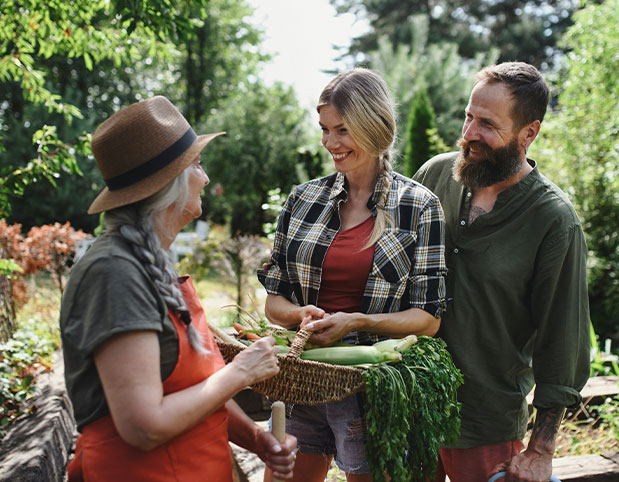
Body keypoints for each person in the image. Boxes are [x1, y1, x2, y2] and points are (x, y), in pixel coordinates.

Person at [59, 96, 297, 481]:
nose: (204, 178)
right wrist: (240, 373)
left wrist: (256, 438)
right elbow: (144, 426)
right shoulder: (113, 274)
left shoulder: (147, 263)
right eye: (197, 165)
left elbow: (200, 390)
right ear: (169, 184)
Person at [257, 68, 448, 482]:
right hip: (307, 380)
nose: (329, 143)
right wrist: (299, 316)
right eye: (324, 129)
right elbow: (274, 303)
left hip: (374, 391)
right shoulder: (303, 200)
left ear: (374, 126)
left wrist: (357, 322)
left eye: (342, 130)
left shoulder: (419, 206)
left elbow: (428, 319)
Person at [413, 62, 591, 482]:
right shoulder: (434, 175)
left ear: (529, 132)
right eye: (468, 116)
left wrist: (542, 449)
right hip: (408, 405)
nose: (470, 133)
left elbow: (562, 339)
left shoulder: (553, 219)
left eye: (487, 124)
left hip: (485, 424)